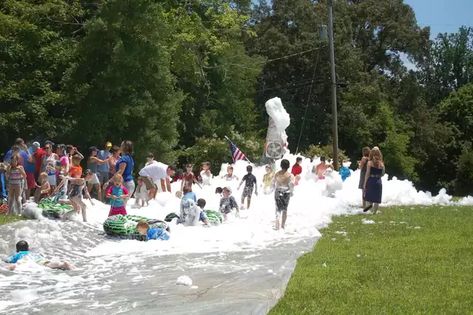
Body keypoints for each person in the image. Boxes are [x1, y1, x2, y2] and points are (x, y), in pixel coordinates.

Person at [5, 240, 73, 271]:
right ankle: (62, 264)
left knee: (19, 264)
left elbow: (8, 260)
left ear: (17, 249)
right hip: (38, 259)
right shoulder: (32, 253)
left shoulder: (18, 254)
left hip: (25, 260)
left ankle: (13, 267)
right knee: (48, 263)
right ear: (28, 248)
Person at [273, 159, 295, 230]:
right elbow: (291, 184)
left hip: (278, 191)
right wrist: (291, 192)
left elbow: (273, 183)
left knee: (278, 209)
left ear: (280, 165)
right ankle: (282, 226)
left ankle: (277, 225)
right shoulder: (290, 175)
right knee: (285, 209)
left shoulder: (277, 174)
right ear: (288, 166)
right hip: (286, 193)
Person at [363, 147, 385, 214]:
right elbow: (383, 173)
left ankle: (369, 206)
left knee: (368, 196)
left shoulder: (369, 163)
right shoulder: (381, 163)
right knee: (377, 198)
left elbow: (367, 173)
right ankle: (374, 212)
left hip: (371, 180)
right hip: (378, 181)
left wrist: (364, 183)